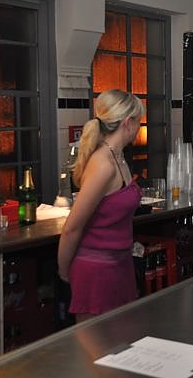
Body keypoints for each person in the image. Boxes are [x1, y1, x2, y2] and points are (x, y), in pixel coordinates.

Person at [58, 89, 145, 323]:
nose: (139, 128)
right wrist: (64, 273)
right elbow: (72, 228)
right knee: (96, 344)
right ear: (127, 123)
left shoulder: (119, 157)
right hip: (96, 272)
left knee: (124, 342)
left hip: (120, 266)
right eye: (138, 121)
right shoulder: (103, 164)